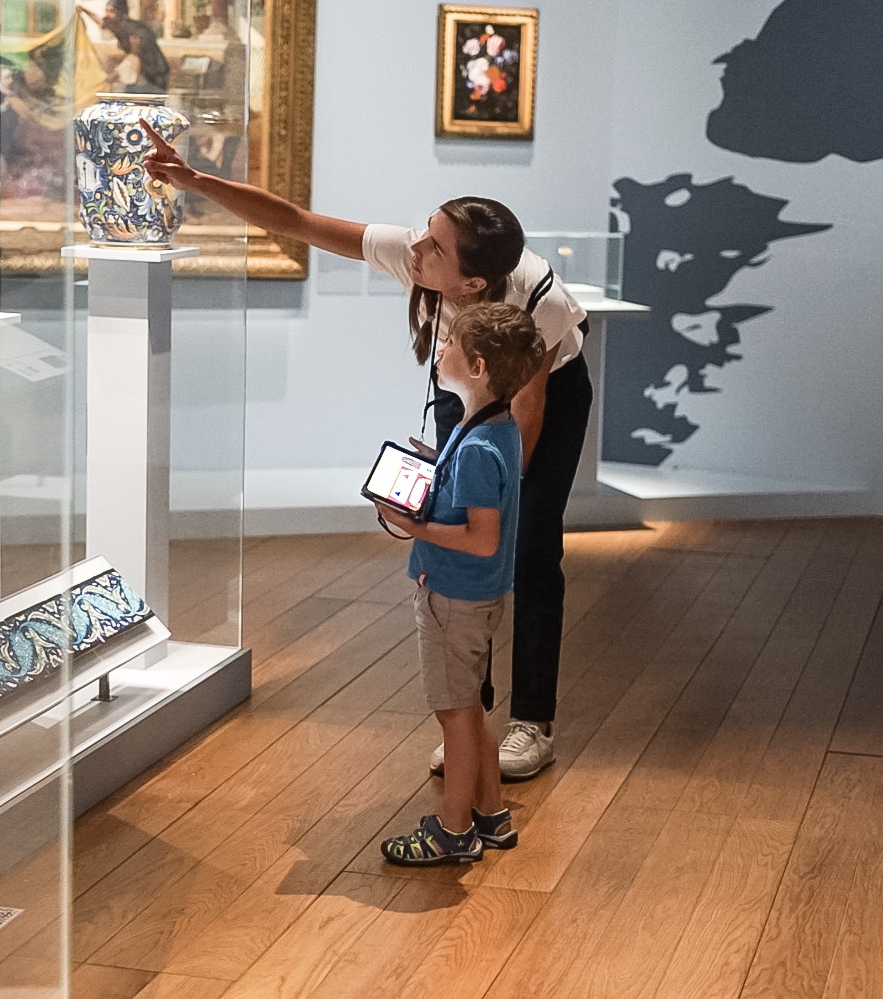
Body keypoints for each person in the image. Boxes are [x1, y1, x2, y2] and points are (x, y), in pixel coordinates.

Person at [142, 125, 590, 782]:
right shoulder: (417, 256)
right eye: (423, 229)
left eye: (432, 244)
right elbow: (295, 221)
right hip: (462, 376)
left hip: (542, 391)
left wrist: (486, 495)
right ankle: (472, 719)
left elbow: (526, 413)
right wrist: (195, 182)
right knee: (468, 540)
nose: (415, 245)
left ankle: (532, 721)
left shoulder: (540, 301)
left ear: (469, 282)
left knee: (526, 546)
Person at [372, 302, 543, 863]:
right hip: (478, 597)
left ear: (475, 367)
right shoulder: (495, 428)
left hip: (452, 596)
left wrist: (414, 525)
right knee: (470, 708)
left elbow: (481, 537)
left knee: (455, 715)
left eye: (447, 345)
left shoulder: (474, 446)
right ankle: (490, 814)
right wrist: (433, 464)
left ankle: (452, 831)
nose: (438, 351)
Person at [79, 0, 170, 93]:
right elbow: (100, 21)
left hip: (154, 75)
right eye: (107, 11)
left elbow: (134, 58)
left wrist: (114, 75)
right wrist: (83, 10)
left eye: (111, 11)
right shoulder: (116, 24)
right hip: (144, 74)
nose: (108, 14)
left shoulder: (133, 30)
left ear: (119, 12)